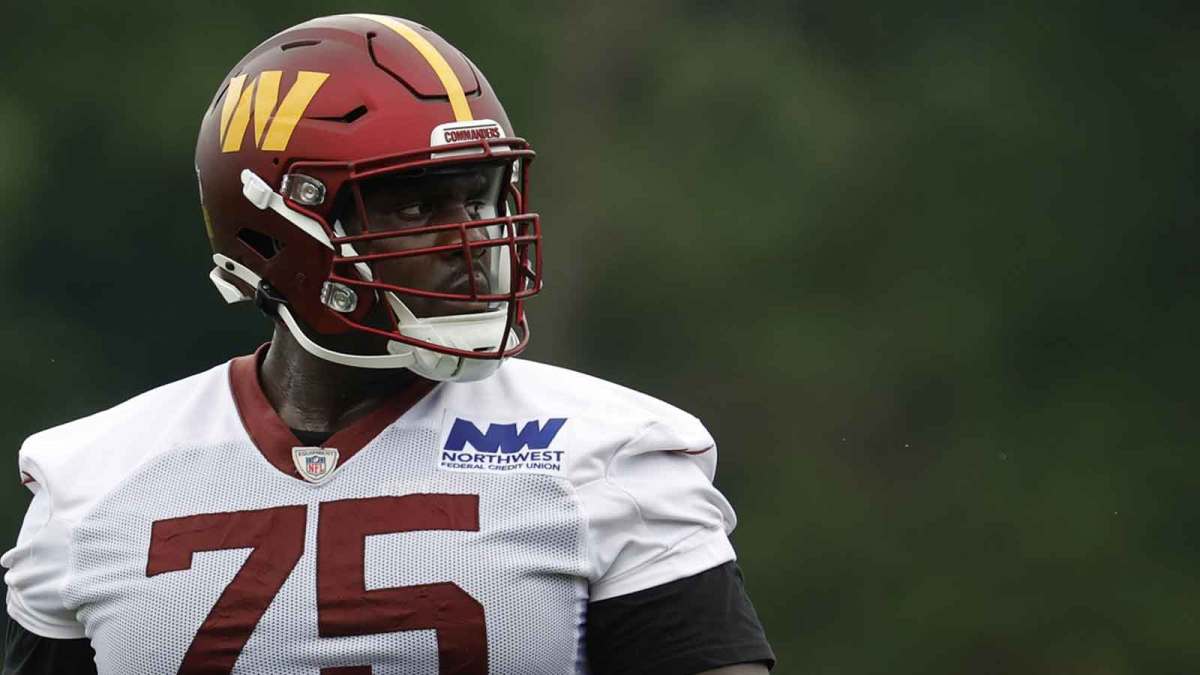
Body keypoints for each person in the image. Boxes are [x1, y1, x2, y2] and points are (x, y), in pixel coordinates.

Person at [1, 14, 774, 675]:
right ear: (275, 230)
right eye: (413, 204)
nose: (469, 238)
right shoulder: (91, 484)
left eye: (476, 194)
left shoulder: (614, 453)